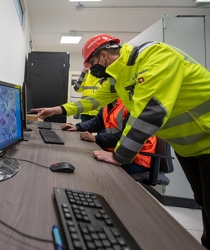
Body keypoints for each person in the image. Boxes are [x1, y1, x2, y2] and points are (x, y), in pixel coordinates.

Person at [31, 33, 210, 249]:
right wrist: (57, 110)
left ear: (104, 54)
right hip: (188, 146)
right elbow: (92, 102)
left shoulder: (155, 55)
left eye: (92, 63)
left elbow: (150, 111)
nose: (91, 70)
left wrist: (119, 156)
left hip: (207, 139)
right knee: (203, 202)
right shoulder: (118, 78)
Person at [62, 98, 156, 175]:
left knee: (95, 172)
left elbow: (127, 137)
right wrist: (77, 127)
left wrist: (96, 138)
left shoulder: (129, 106)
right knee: (85, 162)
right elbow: (96, 122)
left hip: (136, 159)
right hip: (115, 151)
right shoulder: (109, 105)